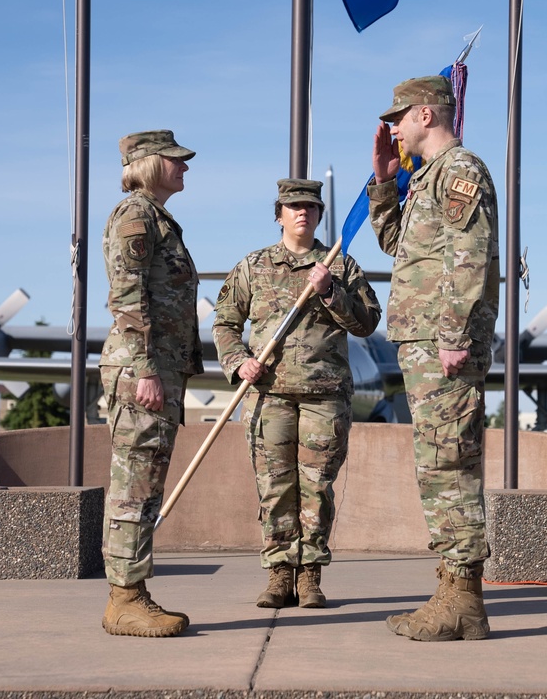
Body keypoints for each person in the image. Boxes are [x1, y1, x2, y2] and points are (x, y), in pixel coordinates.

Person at [368, 75, 500, 641]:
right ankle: (451, 591)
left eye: (398, 117)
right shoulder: (424, 180)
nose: (393, 127)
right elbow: (396, 246)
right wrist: (383, 183)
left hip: (442, 344)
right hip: (422, 343)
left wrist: (452, 334)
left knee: (450, 464)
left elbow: (468, 257)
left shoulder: (460, 171)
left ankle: (464, 598)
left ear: (426, 115)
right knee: (438, 467)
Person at [212, 178, 381, 609]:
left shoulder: (341, 266)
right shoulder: (254, 265)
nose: (301, 212)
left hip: (324, 397)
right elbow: (225, 322)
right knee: (274, 487)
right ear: (279, 215)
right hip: (269, 396)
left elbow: (366, 323)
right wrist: (238, 362)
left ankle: (309, 576)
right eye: (292, 206)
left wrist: (330, 290)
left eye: (310, 206)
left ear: (320, 214)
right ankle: (278, 576)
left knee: (316, 488)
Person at [99, 129, 204, 638]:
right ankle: (125, 599)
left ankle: (132, 593)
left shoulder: (158, 218)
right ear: (146, 164)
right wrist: (144, 369)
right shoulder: (137, 215)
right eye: (175, 160)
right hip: (143, 371)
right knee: (133, 487)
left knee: (144, 485)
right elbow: (127, 294)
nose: (184, 167)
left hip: (158, 369)